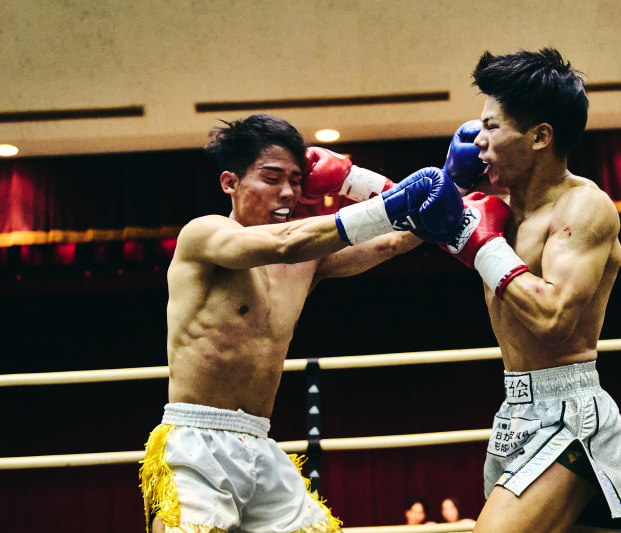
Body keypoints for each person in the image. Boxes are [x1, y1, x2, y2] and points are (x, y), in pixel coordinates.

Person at [139, 113, 463, 533]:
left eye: (295, 180)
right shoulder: (204, 235)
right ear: (229, 182)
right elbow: (287, 242)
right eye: (272, 178)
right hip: (197, 440)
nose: (288, 192)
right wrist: (380, 197)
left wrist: (456, 181)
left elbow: (394, 240)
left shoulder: (307, 260)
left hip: (260, 444)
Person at [439, 48, 621, 532]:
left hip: (569, 411)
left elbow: (553, 318)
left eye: (491, 126)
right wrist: (351, 182)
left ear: (540, 136)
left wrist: (483, 246)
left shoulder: (583, 207)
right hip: (514, 407)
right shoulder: (496, 206)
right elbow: (402, 229)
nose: (477, 139)